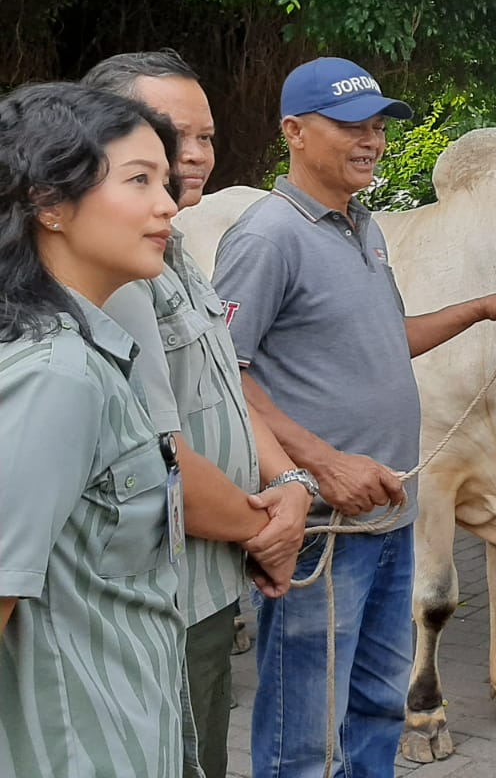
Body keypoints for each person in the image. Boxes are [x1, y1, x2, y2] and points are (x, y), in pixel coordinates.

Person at [212, 57, 496, 778]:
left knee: (379, 711)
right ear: (294, 132)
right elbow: (220, 374)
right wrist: (322, 465)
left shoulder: (363, 228)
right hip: (325, 530)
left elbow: (390, 338)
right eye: (348, 125)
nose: (371, 140)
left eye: (377, 126)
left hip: (393, 520)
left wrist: (482, 307)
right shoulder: (267, 236)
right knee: (304, 736)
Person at [84, 50, 313, 778]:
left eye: (205, 136)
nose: (192, 155)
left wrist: (292, 484)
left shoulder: (176, 249)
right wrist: (267, 529)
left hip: (209, 588)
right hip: (159, 602)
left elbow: (224, 391)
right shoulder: (113, 272)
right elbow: (154, 457)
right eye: (163, 135)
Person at [0, 83, 187, 777]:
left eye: (165, 182)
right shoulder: (58, 378)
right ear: (49, 202)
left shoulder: (92, 355)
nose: (167, 205)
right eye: (139, 180)